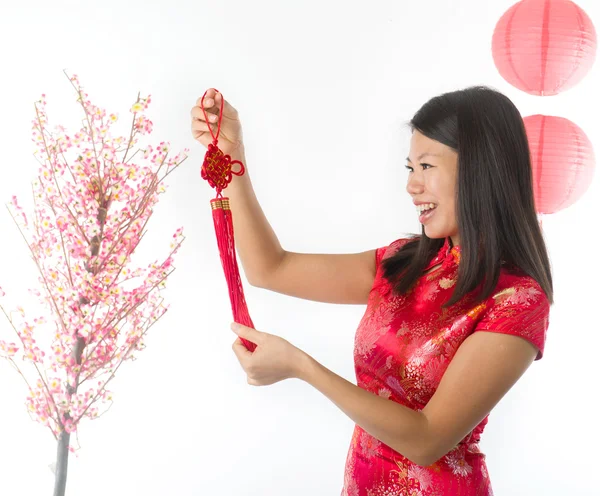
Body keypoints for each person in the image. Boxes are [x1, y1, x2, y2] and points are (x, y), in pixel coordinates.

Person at [190, 86, 553, 496]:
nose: (412, 187)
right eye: (409, 168)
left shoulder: (517, 300)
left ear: (479, 170)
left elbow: (427, 439)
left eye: (426, 166)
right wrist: (233, 154)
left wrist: (301, 367)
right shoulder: (404, 262)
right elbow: (270, 268)